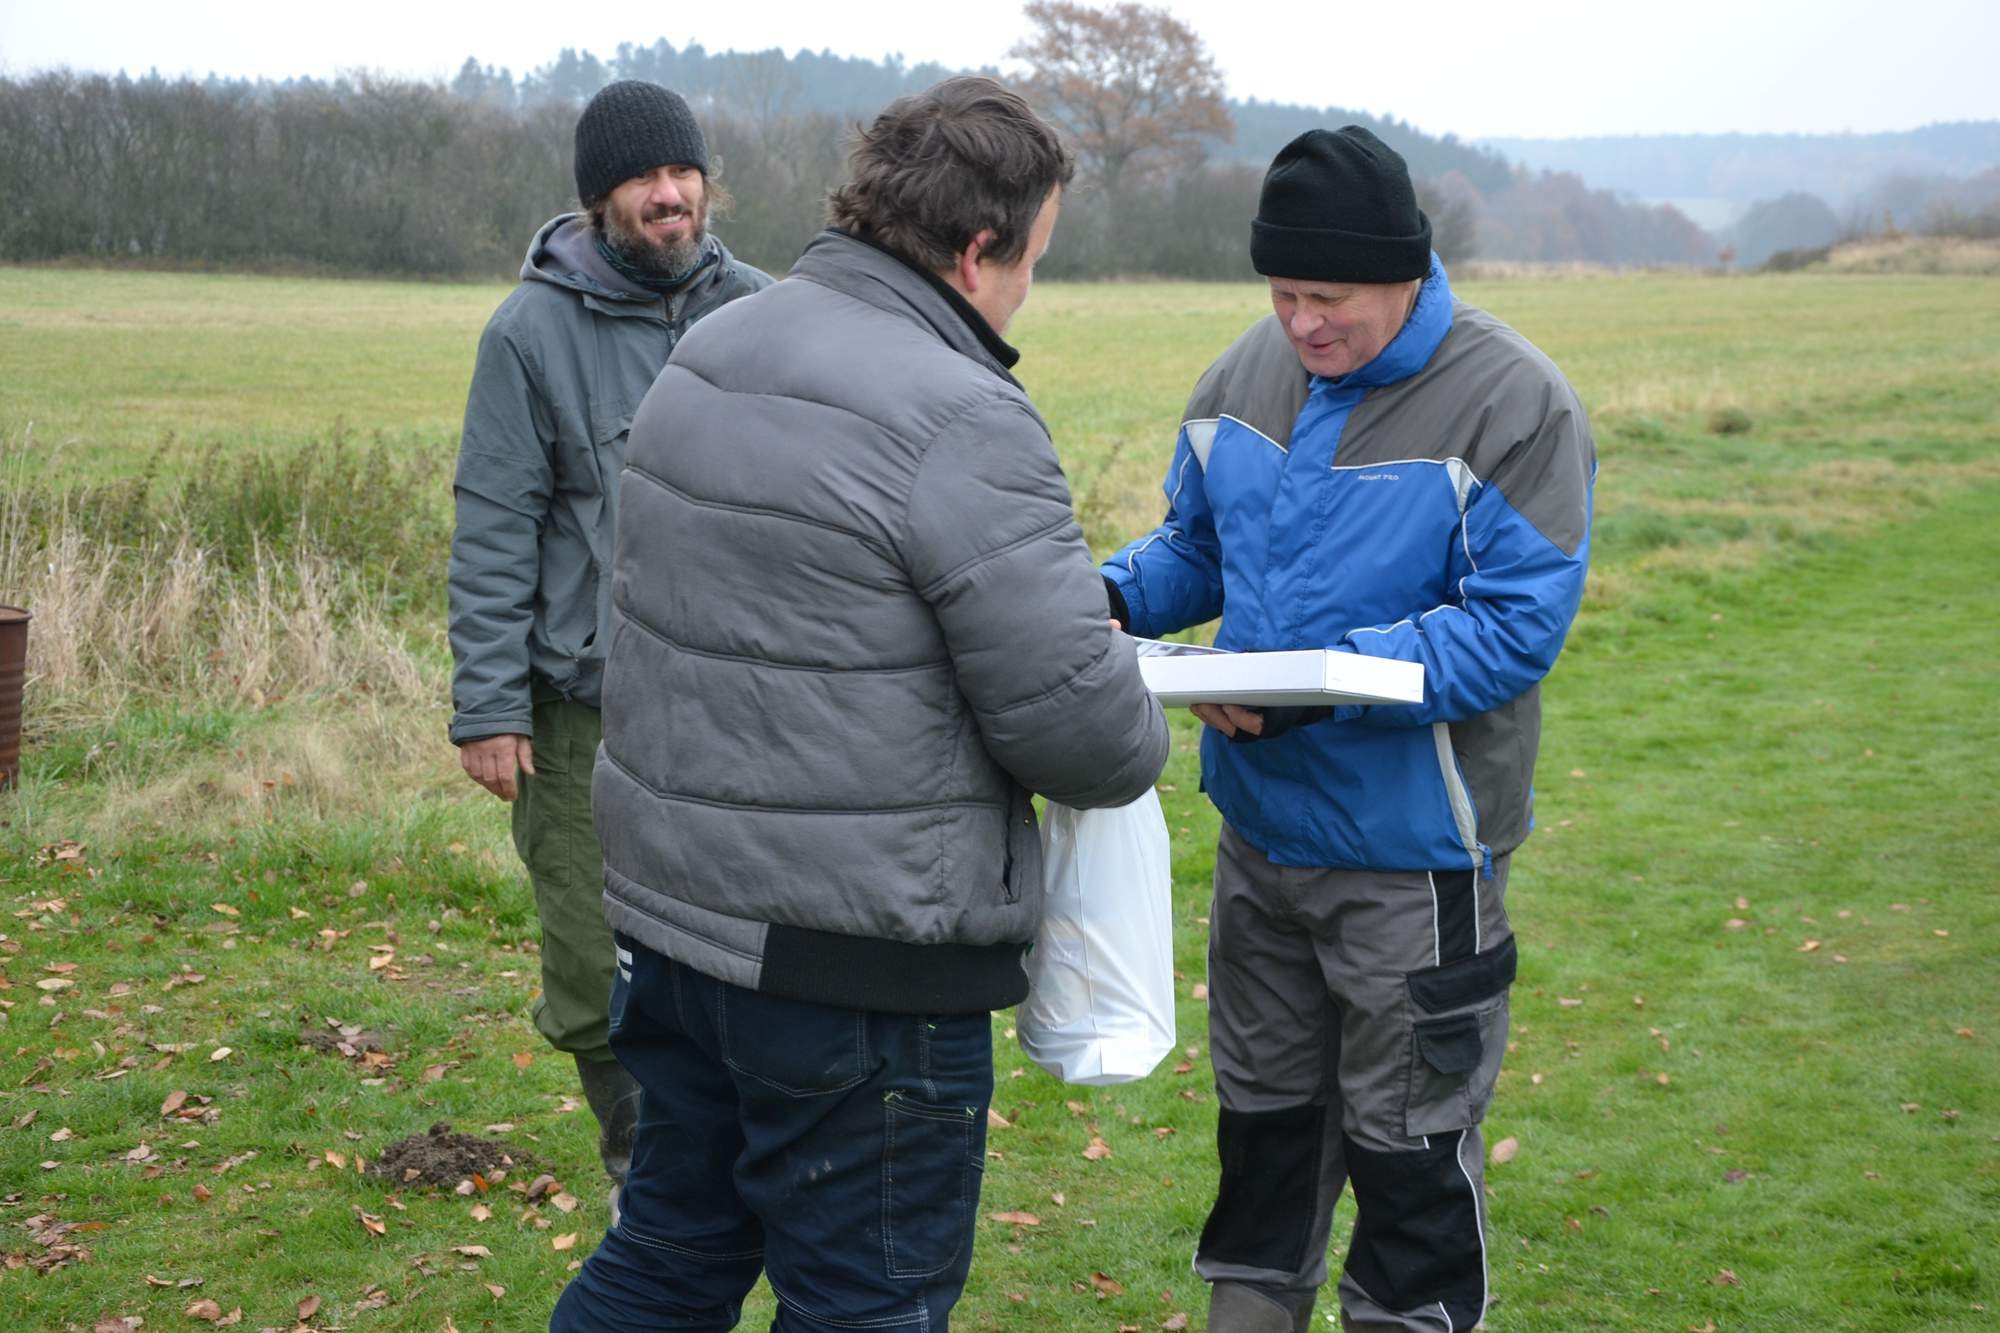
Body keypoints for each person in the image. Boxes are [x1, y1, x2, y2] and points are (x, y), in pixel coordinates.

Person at [551, 76, 1170, 1331]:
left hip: (672, 927)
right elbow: (1087, 739)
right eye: (1032, 261)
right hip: (854, 967)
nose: (1025, 292)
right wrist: (1113, 669)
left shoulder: (713, 348)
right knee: (864, 1304)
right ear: (978, 248)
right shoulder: (961, 416)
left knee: (667, 1254)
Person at [1101, 127, 1596, 1333]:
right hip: (1258, 844)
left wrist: (1318, 686)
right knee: (1262, 1140)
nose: (1301, 323)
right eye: (1281, 292)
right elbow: (1194, 549)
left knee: (1408, 1155)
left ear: (1405, 273)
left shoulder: (1513, 402)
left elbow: (1511, 629)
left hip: (1412, 861)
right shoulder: (1242, 373)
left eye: (1327, 297)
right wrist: (1103, 597)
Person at [446, 79, 771, 1216]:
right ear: (600, 199)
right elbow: (495, 526)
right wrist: (490, 707)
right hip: (586, 707)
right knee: (593, 959)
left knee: (747, 945)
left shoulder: (766, 313)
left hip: (740, 702)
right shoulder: (528, 333)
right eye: (642, 178)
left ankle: (754, 1163)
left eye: (682, 173)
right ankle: (647, 1175)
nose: (668, 194)